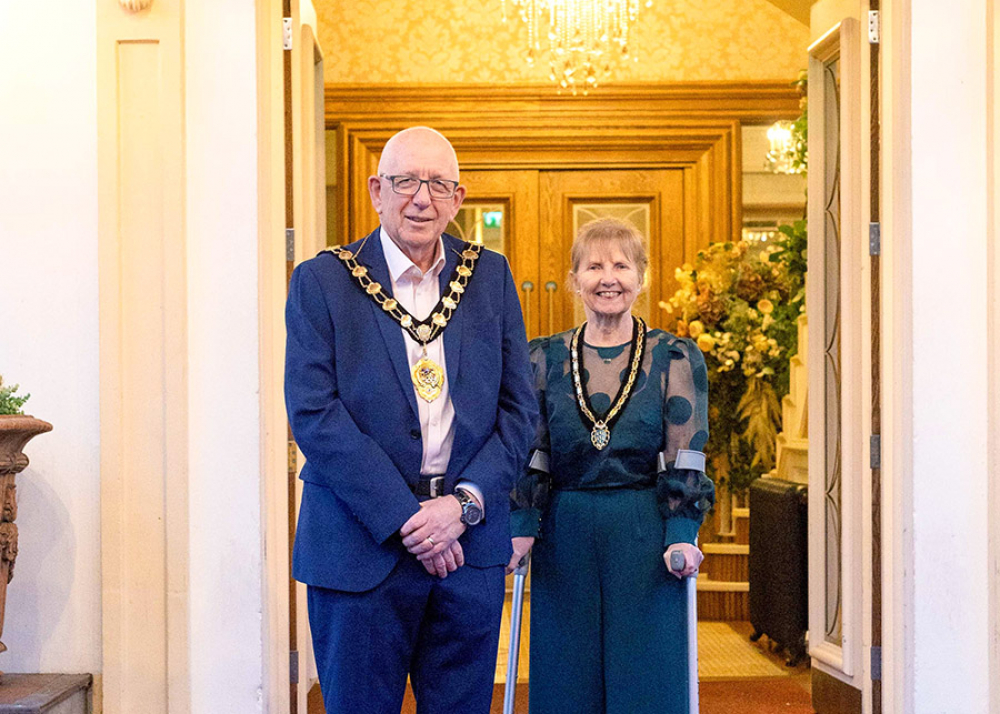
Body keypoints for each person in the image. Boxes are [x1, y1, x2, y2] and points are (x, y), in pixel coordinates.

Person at [285, 126, 537, 714]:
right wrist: (407, 519)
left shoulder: (490, 277)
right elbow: (314, 414)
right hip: (358, 548)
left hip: (465, 547)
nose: (421, 198)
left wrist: (462, 505)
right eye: (404, 182)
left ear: (458, 198)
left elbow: (519, 411)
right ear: (376, 190)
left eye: (438, 184)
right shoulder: (323, 280)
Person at [508, 217, 714, 714]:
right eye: (594, 265)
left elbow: (686, 450)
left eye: (622, 265)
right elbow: (530, 452)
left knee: (647, 678)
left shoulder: (675, 356)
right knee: (566, 681)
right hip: (566, 532)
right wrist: (521, 524)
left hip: (645, 533)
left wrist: (682, 531)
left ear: (641, 277)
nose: (608, 277)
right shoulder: (542, 357)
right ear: (575, 278)